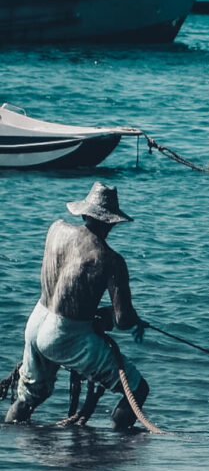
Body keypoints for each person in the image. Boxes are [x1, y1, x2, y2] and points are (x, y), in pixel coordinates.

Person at [5, 182, 150, 429]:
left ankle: (11, 444)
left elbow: (71, 287)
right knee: (138, 389)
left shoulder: (56, 230)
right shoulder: (111, 260)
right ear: (112, 222)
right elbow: (124, 319)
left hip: (36, 322)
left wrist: (95, 316)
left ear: (84, 213)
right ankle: (118, 446)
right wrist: (128, 319)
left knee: (28, 398)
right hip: (64, 334)